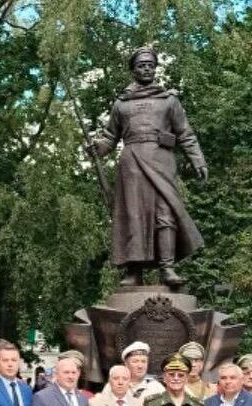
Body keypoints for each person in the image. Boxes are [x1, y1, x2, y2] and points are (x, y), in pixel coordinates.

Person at [88, 46, 208, 287]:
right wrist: (97, 147)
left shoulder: (168, 100)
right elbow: (111, 137)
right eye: (141, 64)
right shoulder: (121, 104)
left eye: (150, 64)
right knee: (133, 216)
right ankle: (134, 272)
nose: (146, 68)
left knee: (166, 213)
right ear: (133, 70)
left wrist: (198, 159)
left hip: (162, 161)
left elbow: (185, 133)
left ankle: (167, 268)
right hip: (131, 164)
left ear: (155, 68)